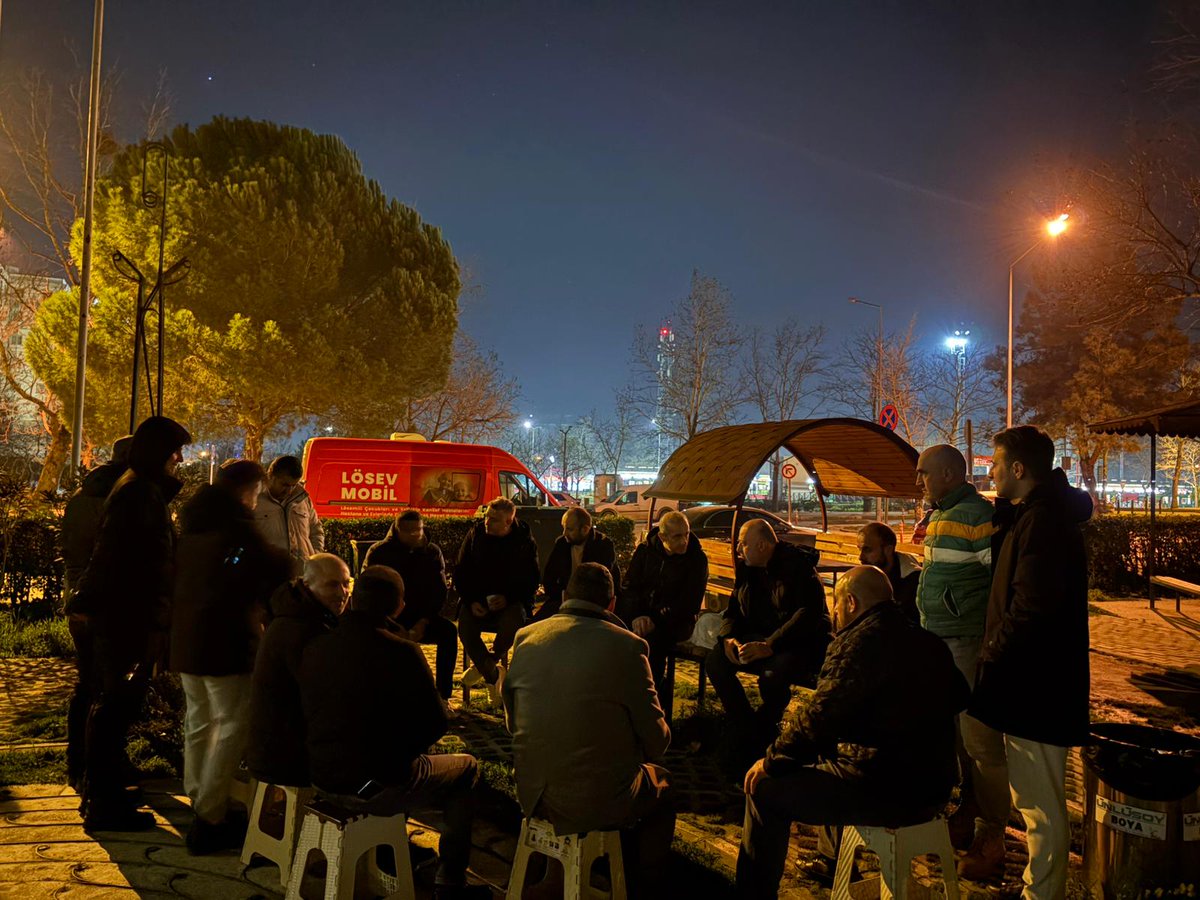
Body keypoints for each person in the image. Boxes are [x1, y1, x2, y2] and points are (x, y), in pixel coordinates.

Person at [736, 566, 969, 896]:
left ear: (851, 602)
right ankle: (831, 859)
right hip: (935, 787)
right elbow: (959, 695)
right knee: (830, 753)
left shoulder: (858, 643)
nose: (833, 614)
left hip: (884, 788)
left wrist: (771, 761)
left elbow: (818, 718)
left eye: (835, 604)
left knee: (764, 791)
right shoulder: (925, 640)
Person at [300, 566, 489, 900]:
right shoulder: (401, 651)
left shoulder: (318, 644)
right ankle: (450, 882)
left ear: (353, 599)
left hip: (321, 775)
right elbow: (435, 723)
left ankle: (391, 849)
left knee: (398, 757)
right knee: (466, 768)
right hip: (375, 783)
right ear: (398, 607)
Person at [503, 563, 673, 896]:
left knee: (565, 759)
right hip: (595, 797)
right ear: (611, 604)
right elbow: (658, 741)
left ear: (565, 596)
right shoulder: (629, 647)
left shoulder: (527, 636)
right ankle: (642, 890)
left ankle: (554, 879)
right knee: (663, 786)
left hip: (532, 790)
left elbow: (513, 723)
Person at [973, 426, 1091, 900]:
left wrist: (992, 651)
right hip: (1037, 681)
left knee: (1040, 802)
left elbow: (1032, 606)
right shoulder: (1036, 515)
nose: (991, 471)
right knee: (1036, 797)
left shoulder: (1043, 521)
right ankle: (1038, 888)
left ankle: (1042, 894)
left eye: (996, 465)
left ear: (1018, 469)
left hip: (1036, 684)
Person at [69, 415, 192, 831]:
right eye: (175, 451)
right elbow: (112, 556)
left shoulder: (142, 491)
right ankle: (104, 804)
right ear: (158, 452)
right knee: (113, 710)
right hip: (127, 620)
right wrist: (88, 601)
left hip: (128, 617)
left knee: (111, 709)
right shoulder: (138, 494)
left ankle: (101, 794)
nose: (180, 459)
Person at [171, 460, 292, 854]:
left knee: (199, 721)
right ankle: (210, 815)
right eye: (256, 492)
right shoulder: (237, 528)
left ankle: (199, 795)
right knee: (232, 726)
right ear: (248, 489)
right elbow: (270, 567)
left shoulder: (194, 524)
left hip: (187, 640)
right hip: (224, 641)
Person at [914, 443, 1009, 878]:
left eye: (925, 473)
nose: (920, 481)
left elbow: (997, 583)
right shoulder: (940, 514)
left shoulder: (975, 515)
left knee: (980, 741)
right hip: (940, 639)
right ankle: (966, 809)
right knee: (953, 736)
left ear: (950, 474)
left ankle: (993, 835)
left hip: (967, 641)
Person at [707, 519, 830, 756]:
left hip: (796, 642)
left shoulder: (798, 566)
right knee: (716, 662)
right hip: (759, 637)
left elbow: (808, 615)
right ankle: (747, 727)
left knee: (773, 675)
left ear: (762, 546)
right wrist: (728, 638)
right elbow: (734, 609)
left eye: (743, 544)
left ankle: (762, 730)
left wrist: (771, 644)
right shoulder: (748, 567)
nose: (738, 550)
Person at [60, 434, 132, 793]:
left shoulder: (86, 495)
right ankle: (93, 766)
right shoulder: (115, 497)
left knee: (89, 684)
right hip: (100, 604)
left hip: (85, 602)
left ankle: (81, 762)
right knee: (101, 687)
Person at [245, 553, 350, 787]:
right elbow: (327, 699)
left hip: (277, 750)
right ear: (307, 584)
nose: (343, 593)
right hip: (288, 759)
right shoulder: (303, 630)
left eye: (346, 583)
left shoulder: (299, 617)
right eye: (332, 584)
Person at [362, 509, 458, 699]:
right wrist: (391, 623)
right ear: (397, 530)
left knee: (448, 632)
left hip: (423, 616)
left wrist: (423, 622)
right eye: (409, 531)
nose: (415, 535)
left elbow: (438, 592)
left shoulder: (431, 553)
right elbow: (370, 592)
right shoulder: (381, 552)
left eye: (418, 530)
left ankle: (443, 696)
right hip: (389, 617)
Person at [454, 497, 540, 698]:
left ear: (508, 522)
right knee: (465, 626)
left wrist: (508, 598)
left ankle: (487, 663)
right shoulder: (476, 535)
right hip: (478, 599)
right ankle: (493, 675)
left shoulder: (523, 541)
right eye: (487, 516)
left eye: (493, 519)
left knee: (514, 621)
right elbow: (461, 570)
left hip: (510, 601)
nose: (487, 522)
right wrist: (471, 600)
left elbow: (531, 578)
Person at [622, 510, 708, 694]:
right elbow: (630, 586)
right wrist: (638, 615)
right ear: (662, 536)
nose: (684, 541)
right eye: (677, 536)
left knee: (654, 644)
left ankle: (652, 696)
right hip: (643, 617)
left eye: (686, 534)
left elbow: (689, 602)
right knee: (618, 634)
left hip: (676, 621)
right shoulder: (645, 551)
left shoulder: (696, 559)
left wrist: (655, 620)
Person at [533, 506, 620, 621]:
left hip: (593, 604)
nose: (564, 533)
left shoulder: (603, 545)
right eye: (564, 528)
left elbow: (603, 583)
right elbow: (550, 575)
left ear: (585, 529)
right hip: (563, 599)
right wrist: (562, 595)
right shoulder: (562, 543)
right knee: (536, 624)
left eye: (569, 529)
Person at [253, 455, 325, 574]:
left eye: (294, 485)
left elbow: (316, 530)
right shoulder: (255, 500)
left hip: (302, 575)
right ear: (270, 476)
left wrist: (314, 556)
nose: (289, 491)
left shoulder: (302, 499)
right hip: (268, 576)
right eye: (285, 485)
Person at [856, 522, 920, 622]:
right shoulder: (867, 576)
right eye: (860, 549)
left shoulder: (913, 582)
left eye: (867, 550)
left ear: (888, 550)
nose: (860, 557)